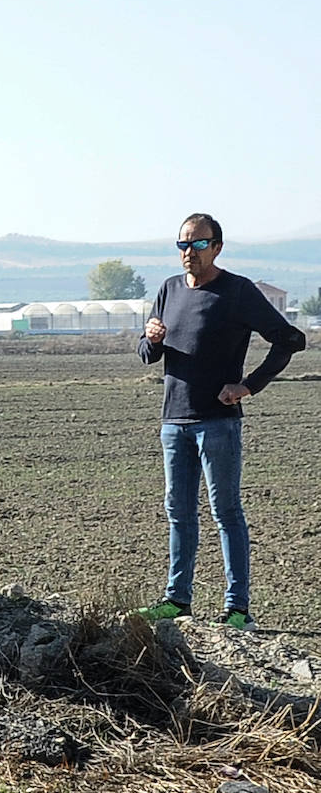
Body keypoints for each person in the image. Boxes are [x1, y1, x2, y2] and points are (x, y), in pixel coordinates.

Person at [136, 212, 305, 631]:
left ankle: (238, 609)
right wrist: (150, 339)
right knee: (178, 512)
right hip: (174, 421)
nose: (189, 252)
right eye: (183, 244)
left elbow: (290, 340)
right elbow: (147, 354)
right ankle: (177, 600)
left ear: (217, 247)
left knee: (225, 512)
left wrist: (248, 386)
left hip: (218, 423)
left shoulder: (237, 291)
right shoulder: (169, 289)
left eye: (198, 244)